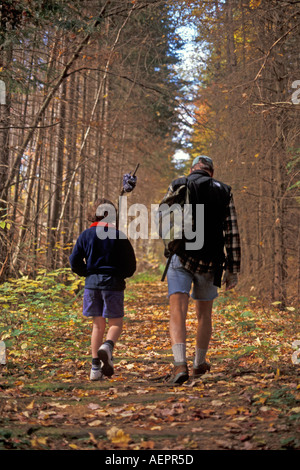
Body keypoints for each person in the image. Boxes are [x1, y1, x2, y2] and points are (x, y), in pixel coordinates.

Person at [160, 155, 241, 384]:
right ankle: (198, 364)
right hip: (211, 261)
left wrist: (170, 243)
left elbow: (162, 218)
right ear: (211, 172)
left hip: (181, 257)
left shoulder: (178, 184)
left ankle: (179, 365)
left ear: (192, 169)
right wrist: (232, 269)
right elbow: (232, 232)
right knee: (204, 314)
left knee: (178, 309)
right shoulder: (224, 191)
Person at [69, 198, 136, 381]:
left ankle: (95, 368)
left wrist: (87, 273)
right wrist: (119, 275)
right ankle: (108, 345)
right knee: (115, 323)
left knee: (97, 325)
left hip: (92, 285)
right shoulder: (119, 236)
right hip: (113, 284)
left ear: (94, 214)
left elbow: (74, 261)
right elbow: (131, 265)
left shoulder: (86, 235)